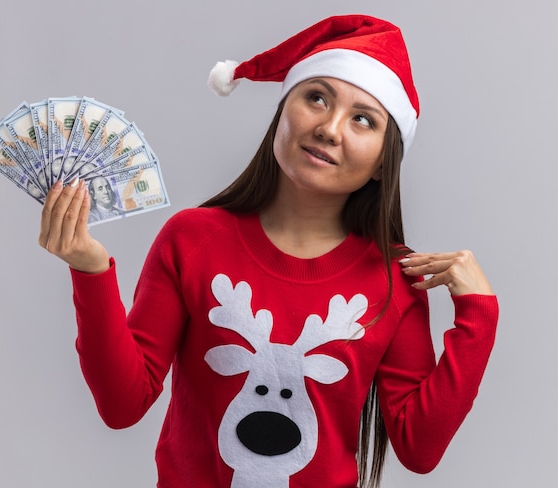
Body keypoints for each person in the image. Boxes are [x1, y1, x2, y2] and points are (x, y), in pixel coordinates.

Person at [38, 15, 498, 488]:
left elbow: (419, 449)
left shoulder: (394, 280)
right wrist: (90, 271)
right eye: (316, 97)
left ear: (384, 162)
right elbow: (122, 405)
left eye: (364, 119)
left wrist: (478, 317)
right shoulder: (191, 240)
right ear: (283, 110)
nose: (330, 129)